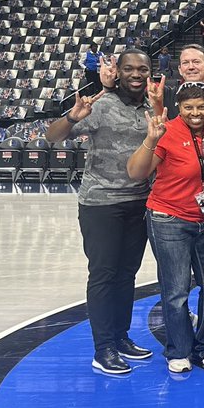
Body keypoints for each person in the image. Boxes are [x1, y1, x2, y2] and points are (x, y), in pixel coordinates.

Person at [45, 48, 155, 375]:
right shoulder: (100, 105)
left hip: (138, 201)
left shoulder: (153, 108)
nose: (136, 74)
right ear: (117, 72)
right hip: (101, 202)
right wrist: (72, 118)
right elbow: (53, 138)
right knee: (105, 274)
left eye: (142, 69)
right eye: (130, 69)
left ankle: (120, 338)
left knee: (127, 274)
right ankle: (103, 348)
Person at [127, 81, 204, 373]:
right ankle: (179, 350)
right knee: (176, 291)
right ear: (179, 108)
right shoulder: (167, 131)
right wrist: (150, 139)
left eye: (201, 107)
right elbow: (136, 172)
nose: (195, 113)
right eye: (188, 108)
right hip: (170, 219)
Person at [160, 44, 204, 120]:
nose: (191, 67)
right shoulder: (167, 95)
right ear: (180, 70)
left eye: (196, 62)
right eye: (185, 63)